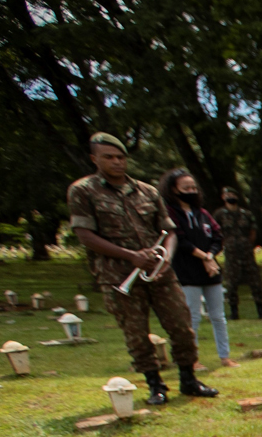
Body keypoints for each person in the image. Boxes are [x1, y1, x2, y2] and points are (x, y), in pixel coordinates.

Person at [67, 132, 216, 405]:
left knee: (182, 326)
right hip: (118, 275)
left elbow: (169, 231)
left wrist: (166, 259)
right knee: (136, 333)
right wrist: (130, 255)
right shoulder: (83, 191)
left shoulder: (147, 191)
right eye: (108, 157)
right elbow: (85, 236)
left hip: (159, 272)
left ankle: (188, 379)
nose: (116, 162)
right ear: (94, 159)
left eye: (121, 157)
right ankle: (155, 385)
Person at [161, 168, 236, 367]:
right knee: (192, 317)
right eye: (186, 188)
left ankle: (224, 356)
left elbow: (217, 237)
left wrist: (210, 256)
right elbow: (179, 240)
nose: (191, 191)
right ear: (173, 190)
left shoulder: (202, 213)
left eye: (193, 187)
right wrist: (204, 257)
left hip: (211, 272)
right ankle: (192, 359)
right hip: (187, 272)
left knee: (218, 316)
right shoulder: (170, 212)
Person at [215, 188, 262, 320]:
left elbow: (253, 231)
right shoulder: (219, 214)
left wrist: (247, 244)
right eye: (228, 195)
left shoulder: (246, 214)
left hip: (246, 251)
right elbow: (216, 232)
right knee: (231, 282)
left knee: (255, 281)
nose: (231, 197)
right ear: (223, 197)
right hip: (230, 252)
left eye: (233, 194)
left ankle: (261, 311)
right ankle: (234, 312)